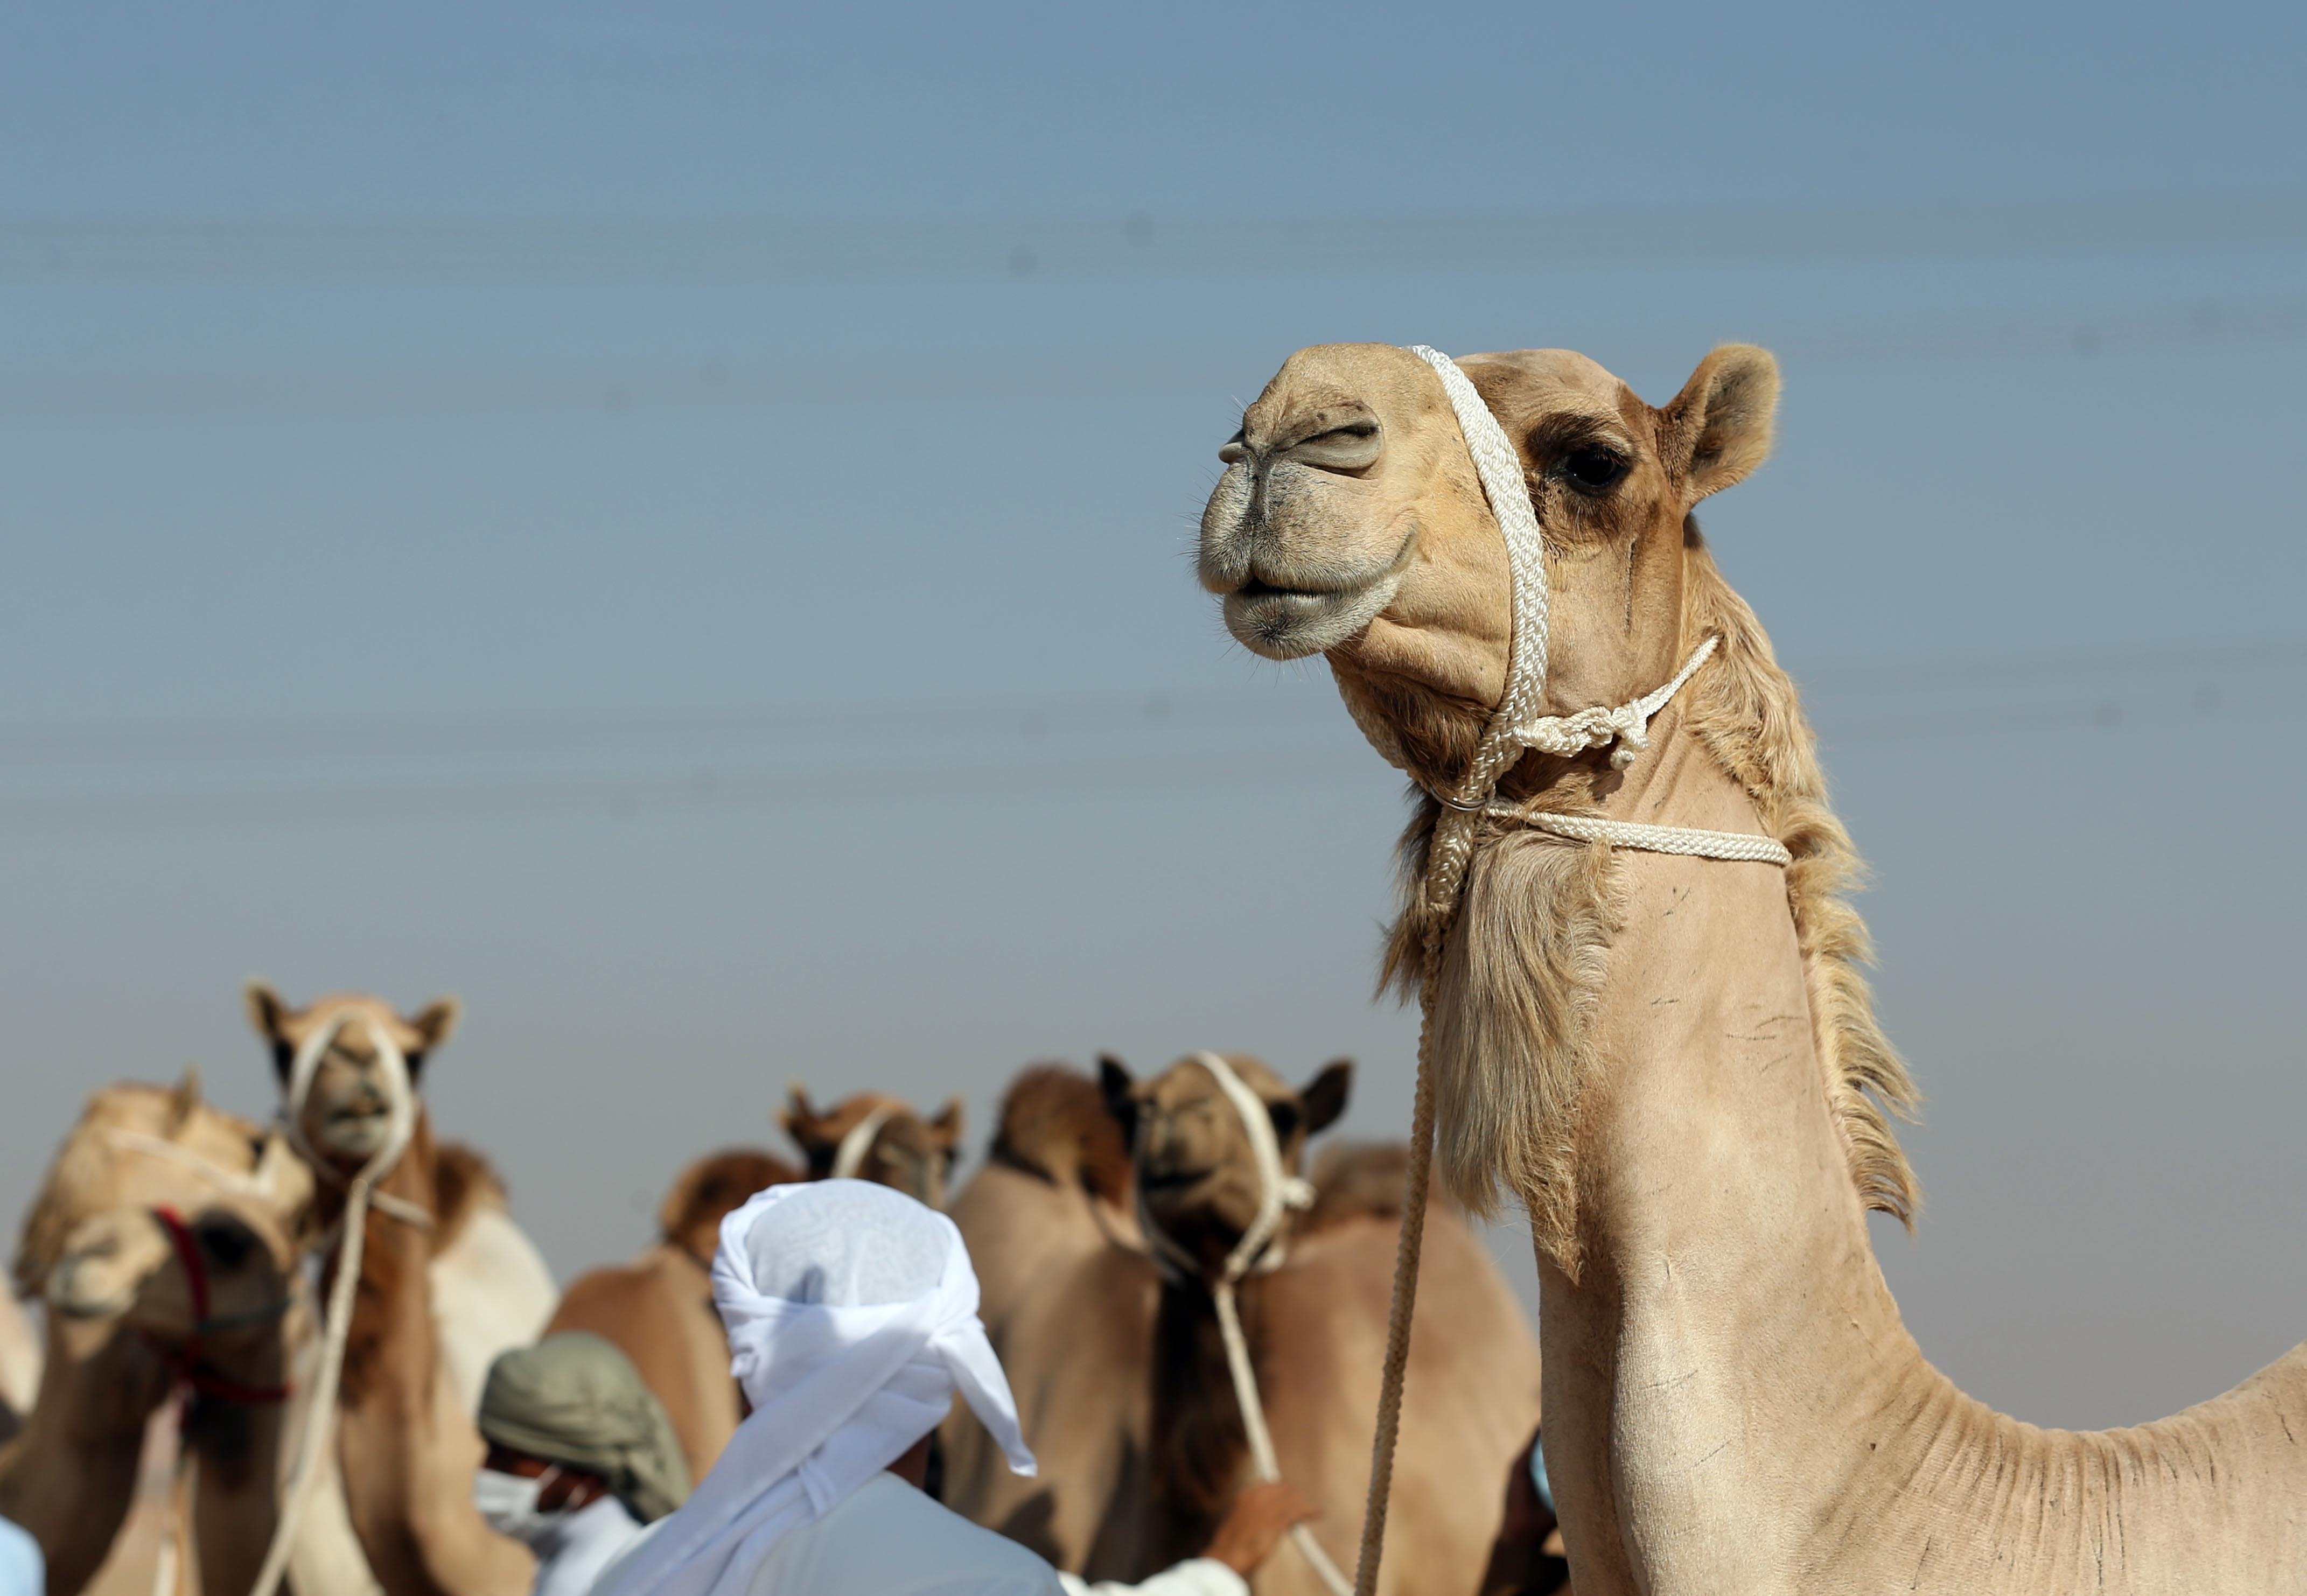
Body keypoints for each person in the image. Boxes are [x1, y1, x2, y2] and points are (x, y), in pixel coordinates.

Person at [590, 1179, 1316, 1596]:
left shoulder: (638, 1572)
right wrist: (1219, 1576)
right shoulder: (997, 1582)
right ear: (945, 1372)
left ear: (749, 1358)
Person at [474, 1331, 693, 1596]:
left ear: (584, 1470)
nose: (486, 1468)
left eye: (508, 1458)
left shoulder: (586, 1576)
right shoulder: (587, 1552)